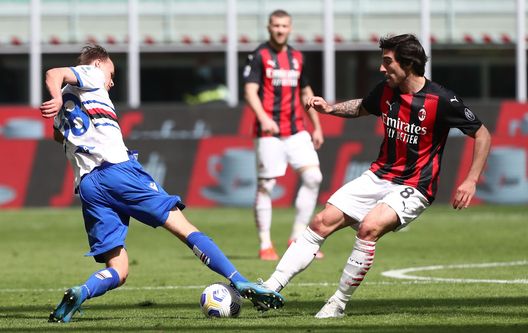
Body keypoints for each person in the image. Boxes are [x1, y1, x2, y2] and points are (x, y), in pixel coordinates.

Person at [39, 44, 284, 323]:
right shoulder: (91, 75)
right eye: (111, 72)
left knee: (118, 269)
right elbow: (53, 72)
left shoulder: (71, 102)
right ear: (98, 64)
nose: (112, 80)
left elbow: (60, 136)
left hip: (88, 186)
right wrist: (56, 97)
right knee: (184, 228)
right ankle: (240, 281)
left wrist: (66, 109)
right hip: (118, 172)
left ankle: (80, 292)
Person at [261, 34, 491, 318]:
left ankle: (337, 304)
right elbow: (362, 106)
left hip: (416, 186)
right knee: (321, 222)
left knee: (369, 227)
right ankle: (270, 287)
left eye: (387, 62)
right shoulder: (386, 90)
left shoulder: (442, 99)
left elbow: (482, 133)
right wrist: (330, 109)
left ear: (408, 64)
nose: (382, 69)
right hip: (378, 175)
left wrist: (470, 179)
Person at [243, 9, 325, 261]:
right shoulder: (259, 55)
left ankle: (297, 237)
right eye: (276, 25)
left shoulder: (297, 57)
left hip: (296, 130)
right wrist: (264, 118)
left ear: (290, 28)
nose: (280, 30)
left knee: (313, 177)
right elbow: (250, 91)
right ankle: (265, 244)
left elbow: (305, 91)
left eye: (284, 26)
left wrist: (317, 125)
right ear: (269, 27)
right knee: (266, 186)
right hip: (269, 133)